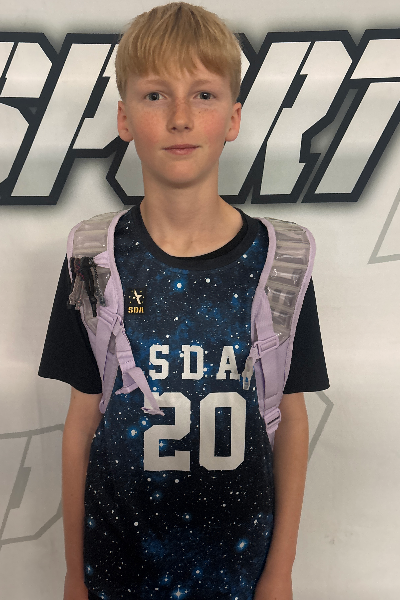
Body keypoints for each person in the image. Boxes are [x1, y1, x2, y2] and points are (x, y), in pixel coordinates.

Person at [39, 3, 329, 599]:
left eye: (203, 95)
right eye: (155, 95)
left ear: (233, 117)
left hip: (237, 575)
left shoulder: (280, 261)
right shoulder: (93, 257)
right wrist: (73, 574)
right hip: (118, 572)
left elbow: (290, 420)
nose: (179, 118)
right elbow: (80, 424)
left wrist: (280, 573)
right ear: (124, 117)